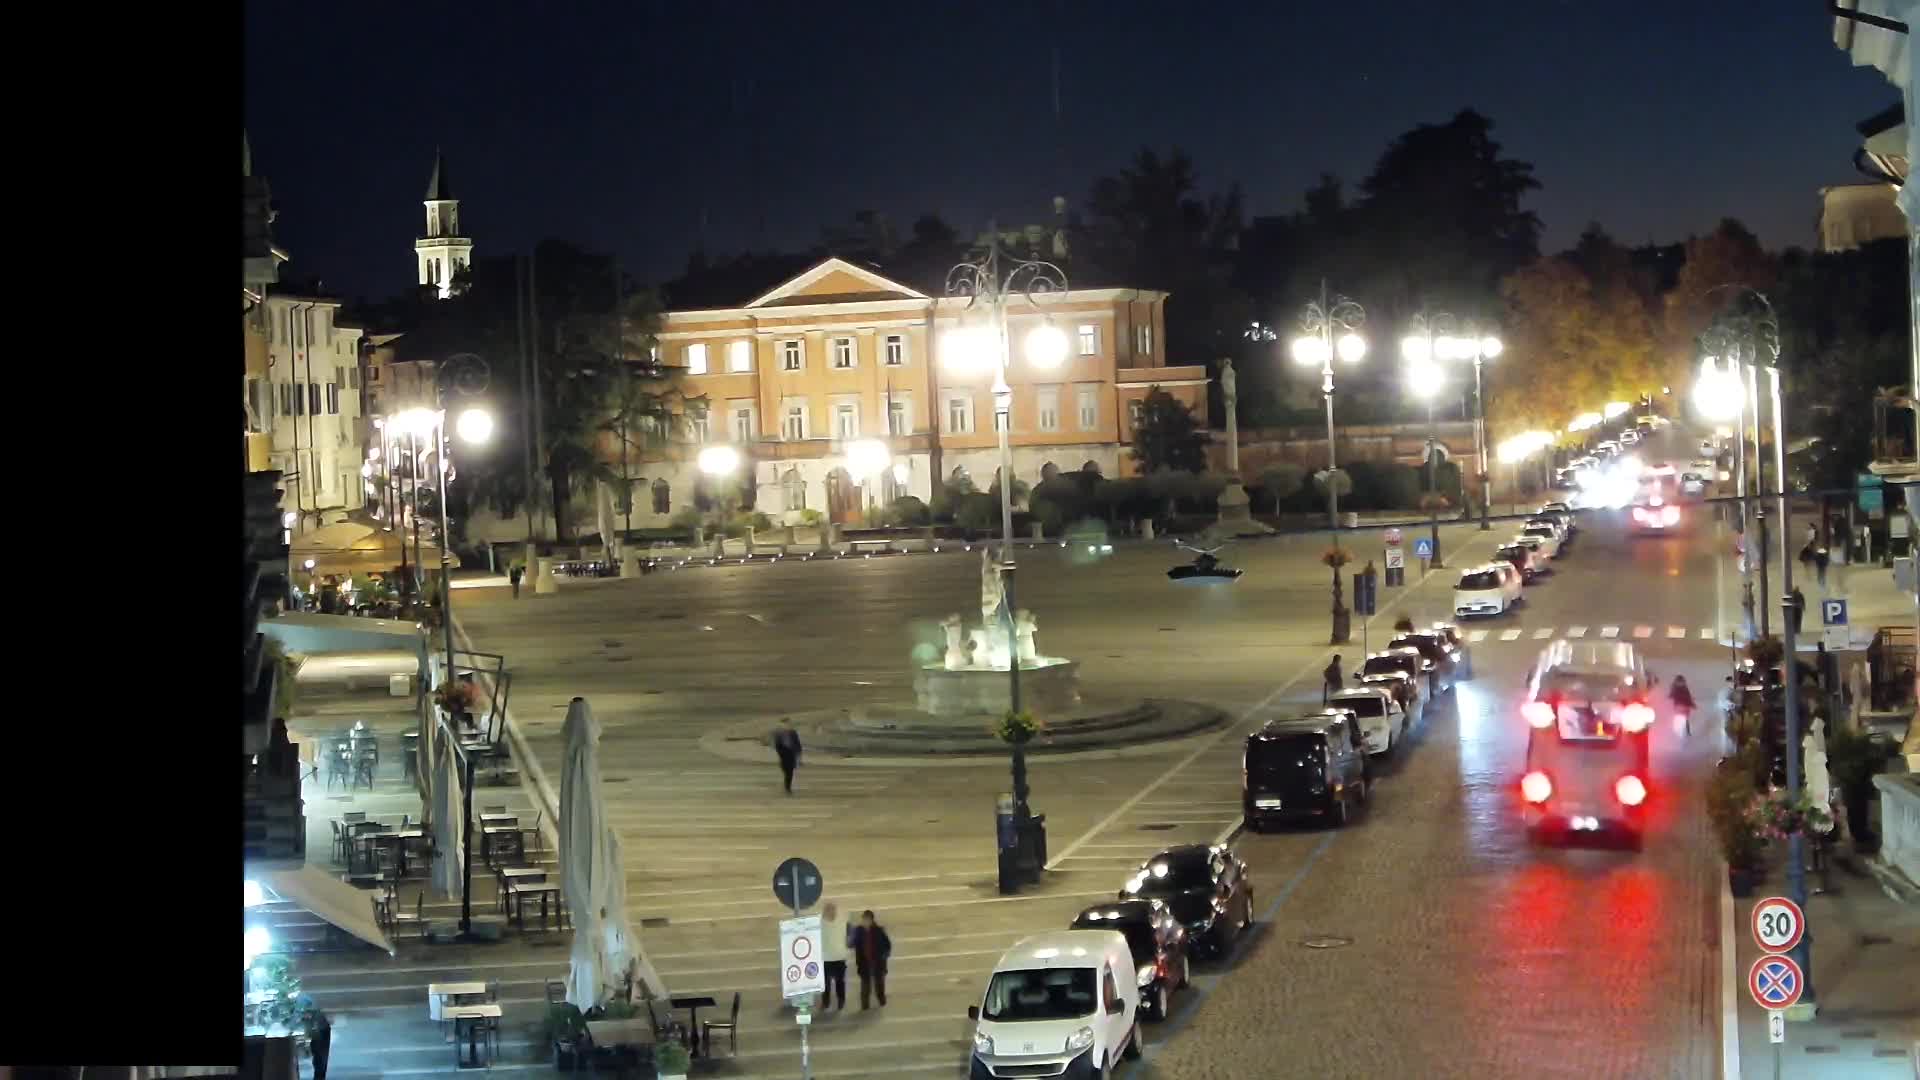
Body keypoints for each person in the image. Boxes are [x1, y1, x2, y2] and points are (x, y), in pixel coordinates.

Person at [848, 909, 892, 1009]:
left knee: (879, 985)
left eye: (867, 919)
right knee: (865, 987)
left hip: (878, 963)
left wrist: (884, 956)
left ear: (871, 920)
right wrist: (851, 936)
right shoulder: (858, 931)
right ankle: (865, 1006)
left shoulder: (879, 930)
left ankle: (882, 1001)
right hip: (864, 963)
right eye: (864, 919)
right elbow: (851, 944)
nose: (865, 921)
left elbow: (887, 944)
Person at [818, 902, 849, 1012]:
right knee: (825, 984)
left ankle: (841, 1001)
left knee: (840, 982)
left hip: (839, 958)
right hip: (825, 959)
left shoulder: (842, 921)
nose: (831, 912)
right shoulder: (820, 924)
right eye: (829, 910)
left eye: (833, 909)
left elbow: (849, 933)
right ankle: (826, 1002)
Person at [772, 719, 802, 795]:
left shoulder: (793, 733)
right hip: (783, 755)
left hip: (792, 754)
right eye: (785, 724)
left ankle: (788, 788)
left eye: (789, 723)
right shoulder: (778, 734)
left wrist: (799, 753)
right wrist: (781, 754)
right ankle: (787, 786)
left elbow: (797, 743)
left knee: (790, 772)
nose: (787, 725)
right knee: (786, 771)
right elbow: (777, 745)